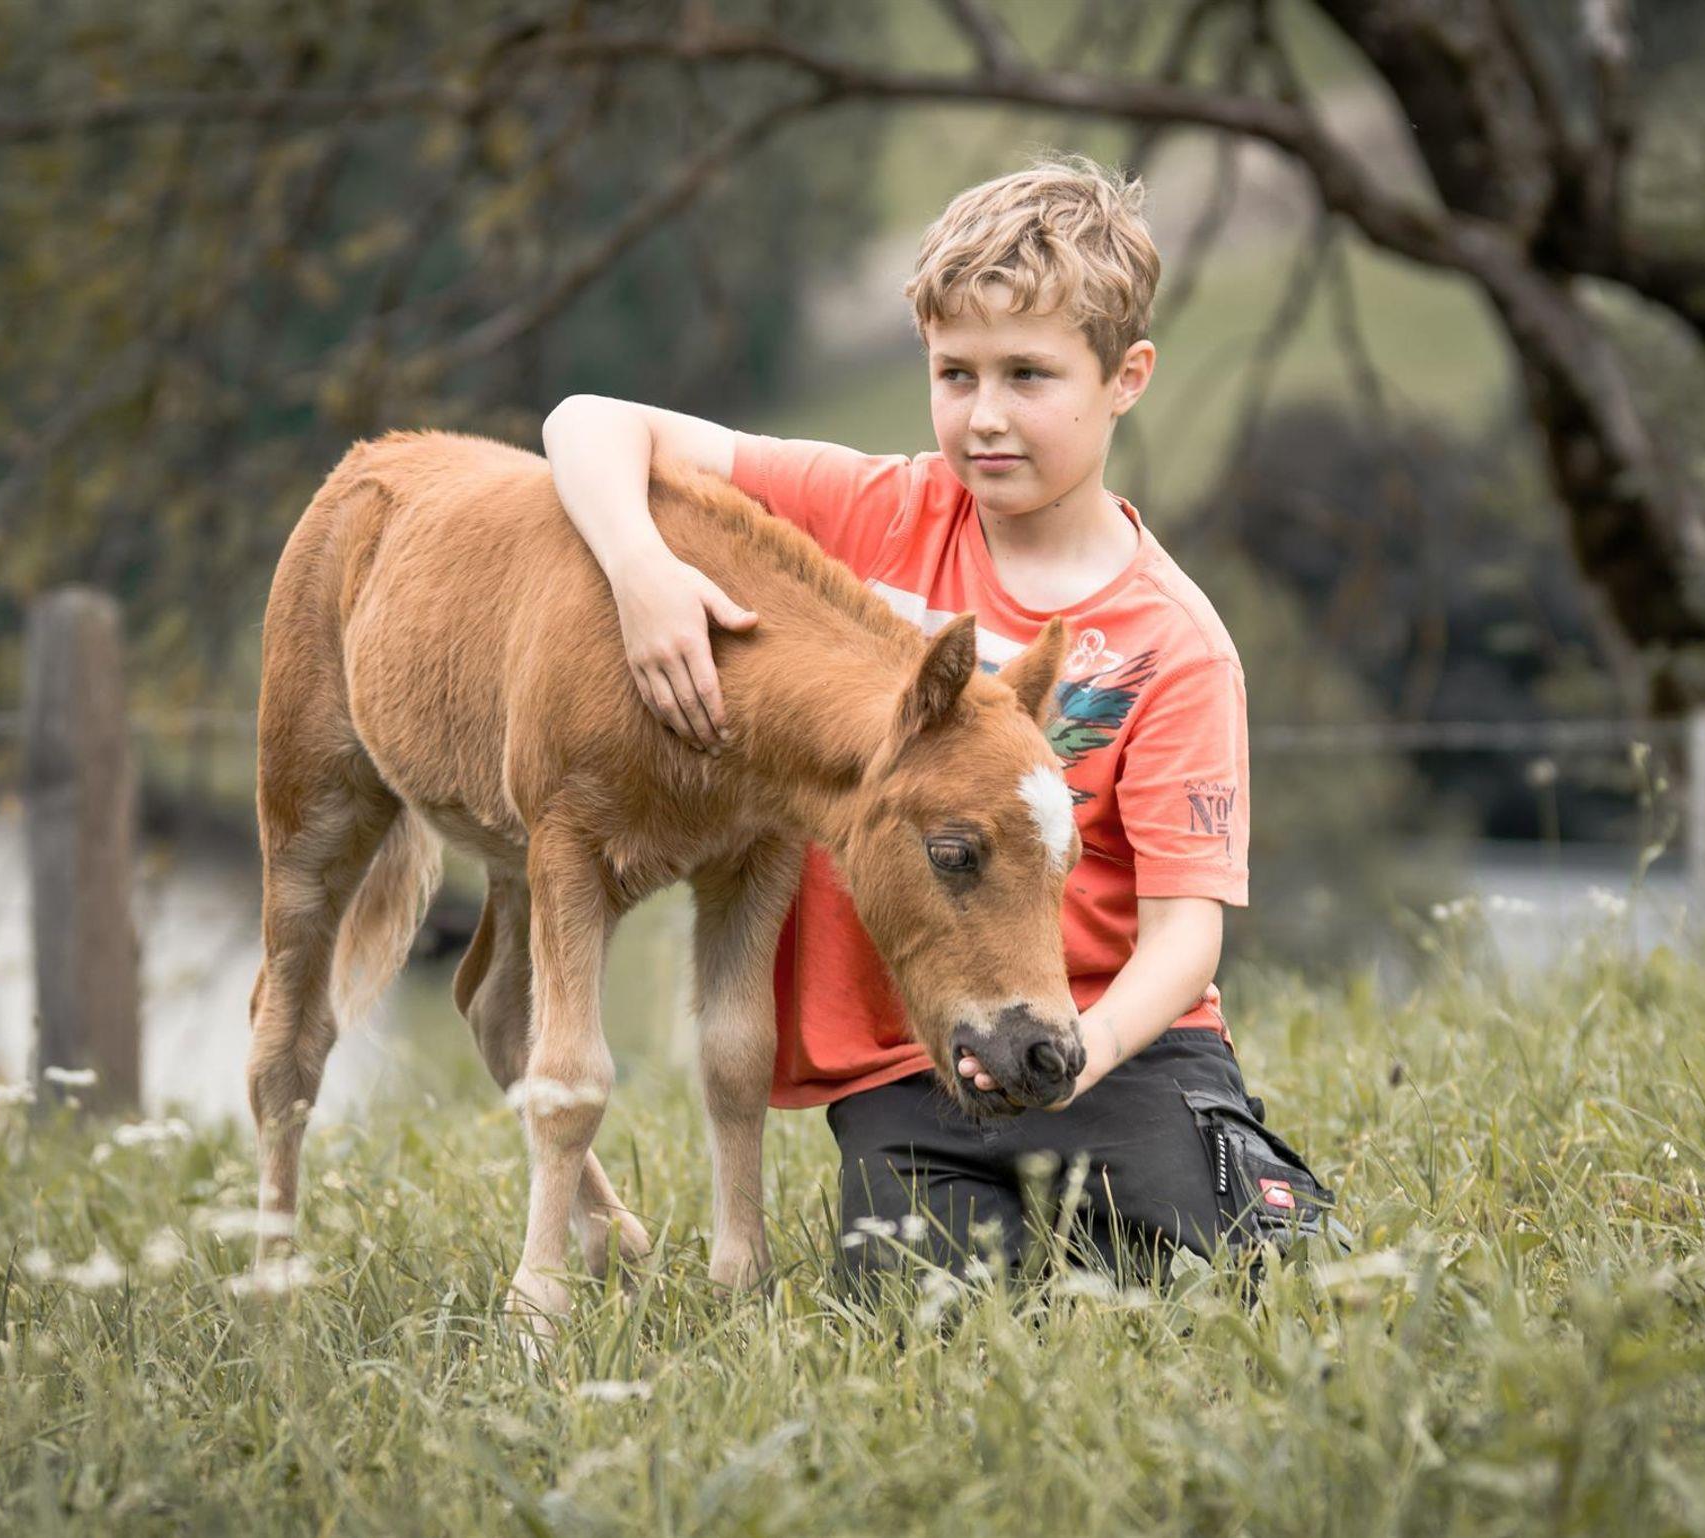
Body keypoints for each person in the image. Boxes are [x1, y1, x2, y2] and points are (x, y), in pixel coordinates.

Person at [542, 156, 1330, 1285]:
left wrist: (1080, 1053)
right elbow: (589, 422)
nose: (986, 416)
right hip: (912, 1073)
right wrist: (639, 571)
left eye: (1028, 374)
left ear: (1126, 377)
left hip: (1118, 1051)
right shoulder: (881, 512)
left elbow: (1183, 935)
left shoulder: (1175, 644)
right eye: (955, 373)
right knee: (921, 1304)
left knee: (1239, 1279)